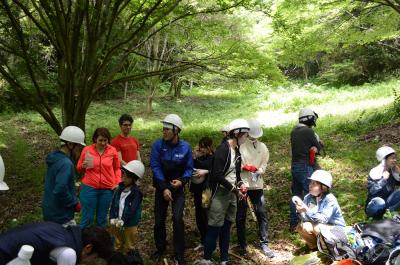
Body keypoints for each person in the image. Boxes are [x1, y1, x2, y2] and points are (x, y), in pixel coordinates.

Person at [194, 119, 249, 265]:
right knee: (214, 226)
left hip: (232, 194)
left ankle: (224, 259)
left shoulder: (237, 151)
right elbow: (217, 175)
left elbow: (236, 175)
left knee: (227, 226)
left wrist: (241, 184)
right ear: (236, 133)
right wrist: (234, 189)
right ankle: (206, 259)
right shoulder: (222, 149)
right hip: (219, 194)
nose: (246, 137)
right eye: (245, 134)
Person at [150, 114, 193, 265]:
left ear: (176, 131)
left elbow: (189, 169)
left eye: (167, 129)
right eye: (163, 129)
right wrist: (164, 188)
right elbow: (155, 166)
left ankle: (179, 252)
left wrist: (181, 181)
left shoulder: (185, 147)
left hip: (178, 187)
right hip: (162, 186)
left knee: (177, 219)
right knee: (159, 220)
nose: (164, 132)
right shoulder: (157, 145)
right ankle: (160, 248)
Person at [236, 119, 274, 258]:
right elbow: (235, 163)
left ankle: (264, 242)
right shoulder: (240, 146)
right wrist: (244, 167)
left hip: (257, 184)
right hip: (243, 184)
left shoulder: (262, 147)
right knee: (241, 215)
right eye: (251, 136)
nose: (253, 138)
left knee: (261, 213)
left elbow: (264, 163)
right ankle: (242, 245)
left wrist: (259, 170)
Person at [0, 222, 113, 265]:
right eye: (95, 258)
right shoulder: (69, 253)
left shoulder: (66, 233)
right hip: (6, 255)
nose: (91, 262)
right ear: (88, 248)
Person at [77, 127, 121, 228]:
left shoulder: (112, 150)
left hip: (107, 189)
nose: (103, 143)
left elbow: (117, 168)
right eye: (100, 140)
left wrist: (117, 182)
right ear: (95, 139)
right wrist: (82, 166)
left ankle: (99, 242)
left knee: (102, 219)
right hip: (89, 187)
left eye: (105, 140)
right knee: (87, 218)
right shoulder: (87, 150)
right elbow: (78, 167)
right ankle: (82, 241)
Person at [42, 126, 85, 226]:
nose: (80, 150)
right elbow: (60, 189)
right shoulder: (65, 163)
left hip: (50, 210)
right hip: (60, 215)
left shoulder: (55, 158)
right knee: (70, 240)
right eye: (78, 146)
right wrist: (74, 202)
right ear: (70, 144)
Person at [294, 170, 346, 250]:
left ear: (323, 187)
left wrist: (306, 210)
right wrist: (300, 211)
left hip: (336, 229)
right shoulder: (309, 198)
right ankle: (315, 249)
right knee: (302, 227)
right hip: (319, 226)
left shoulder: (330, 199)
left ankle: (328, 251)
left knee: (319, 228)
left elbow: (323, 219)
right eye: (311, 182)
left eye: (314, 184)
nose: (310, 185)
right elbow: (306, 219)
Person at [290, 108, 322, 230]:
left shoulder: (294, 131)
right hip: (305, 166)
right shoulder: (308, 131)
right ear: (310, 119)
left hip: (295, 166)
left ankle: (293, 223)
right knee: (311, 194)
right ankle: (312, 222)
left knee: (296, 195)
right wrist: (319, 144)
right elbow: (317, 148)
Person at [109, 160, 144, 253]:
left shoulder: (136, 193)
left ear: (134, 179)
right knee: (117, 241)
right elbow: (113, 203)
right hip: (117, 220)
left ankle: (128, 258)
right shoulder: (119, 188)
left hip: (130, 223)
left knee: (129, 244)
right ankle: (116, 258)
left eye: (126, 177)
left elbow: (133, 209)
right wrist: (112, 216)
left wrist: (124, 219)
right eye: (123, 175)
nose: (123, 178)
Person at [191, 137, 214, 250]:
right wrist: (194, 155)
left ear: (209, 147)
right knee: (198, 214)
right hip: (197, 188)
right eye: (200, 147)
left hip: (206, 190)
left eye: (204, 147)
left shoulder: (212, 157)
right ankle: (203, 240)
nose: (201, 149)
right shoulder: (199, 156)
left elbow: (206, 166)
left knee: (205, 213)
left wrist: (195, 157)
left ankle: (209, 241)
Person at [365, 146, 400, 219]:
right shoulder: (375, 172)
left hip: (388, 202)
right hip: (375, 205)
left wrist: (399, 173)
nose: (395, 160)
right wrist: (383, 180)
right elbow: (372, 191)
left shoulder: (392, 171)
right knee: (379, 201)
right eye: (392, 158)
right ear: (384, 159)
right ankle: (374, 218)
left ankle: (388, 214)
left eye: (395, 158)